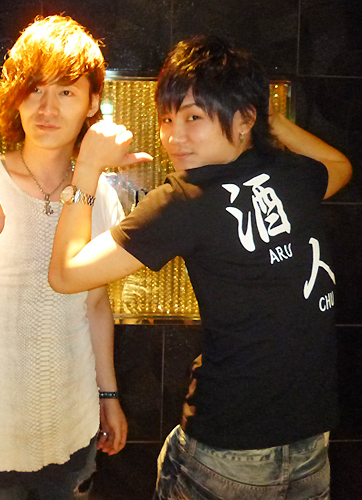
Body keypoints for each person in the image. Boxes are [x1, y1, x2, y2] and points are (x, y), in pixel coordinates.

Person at [48, 35, 352, 499]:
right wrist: (270, 119)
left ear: (243, 118)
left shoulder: (184, 201)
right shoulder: (292, 173)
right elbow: (339, 165)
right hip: (312, 440)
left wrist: (87, 168)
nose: (175, 137)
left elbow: (65, 275)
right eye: (167, 119)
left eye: (194, 117)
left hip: (229, 448)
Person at [0, 15, 129, 500]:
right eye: (34, 89)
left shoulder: (99, 195)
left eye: (66, 91)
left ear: (93, 101)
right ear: (16, 96)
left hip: (75, 427)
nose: (47, 108)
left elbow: (96, 304)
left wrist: (108, 395)